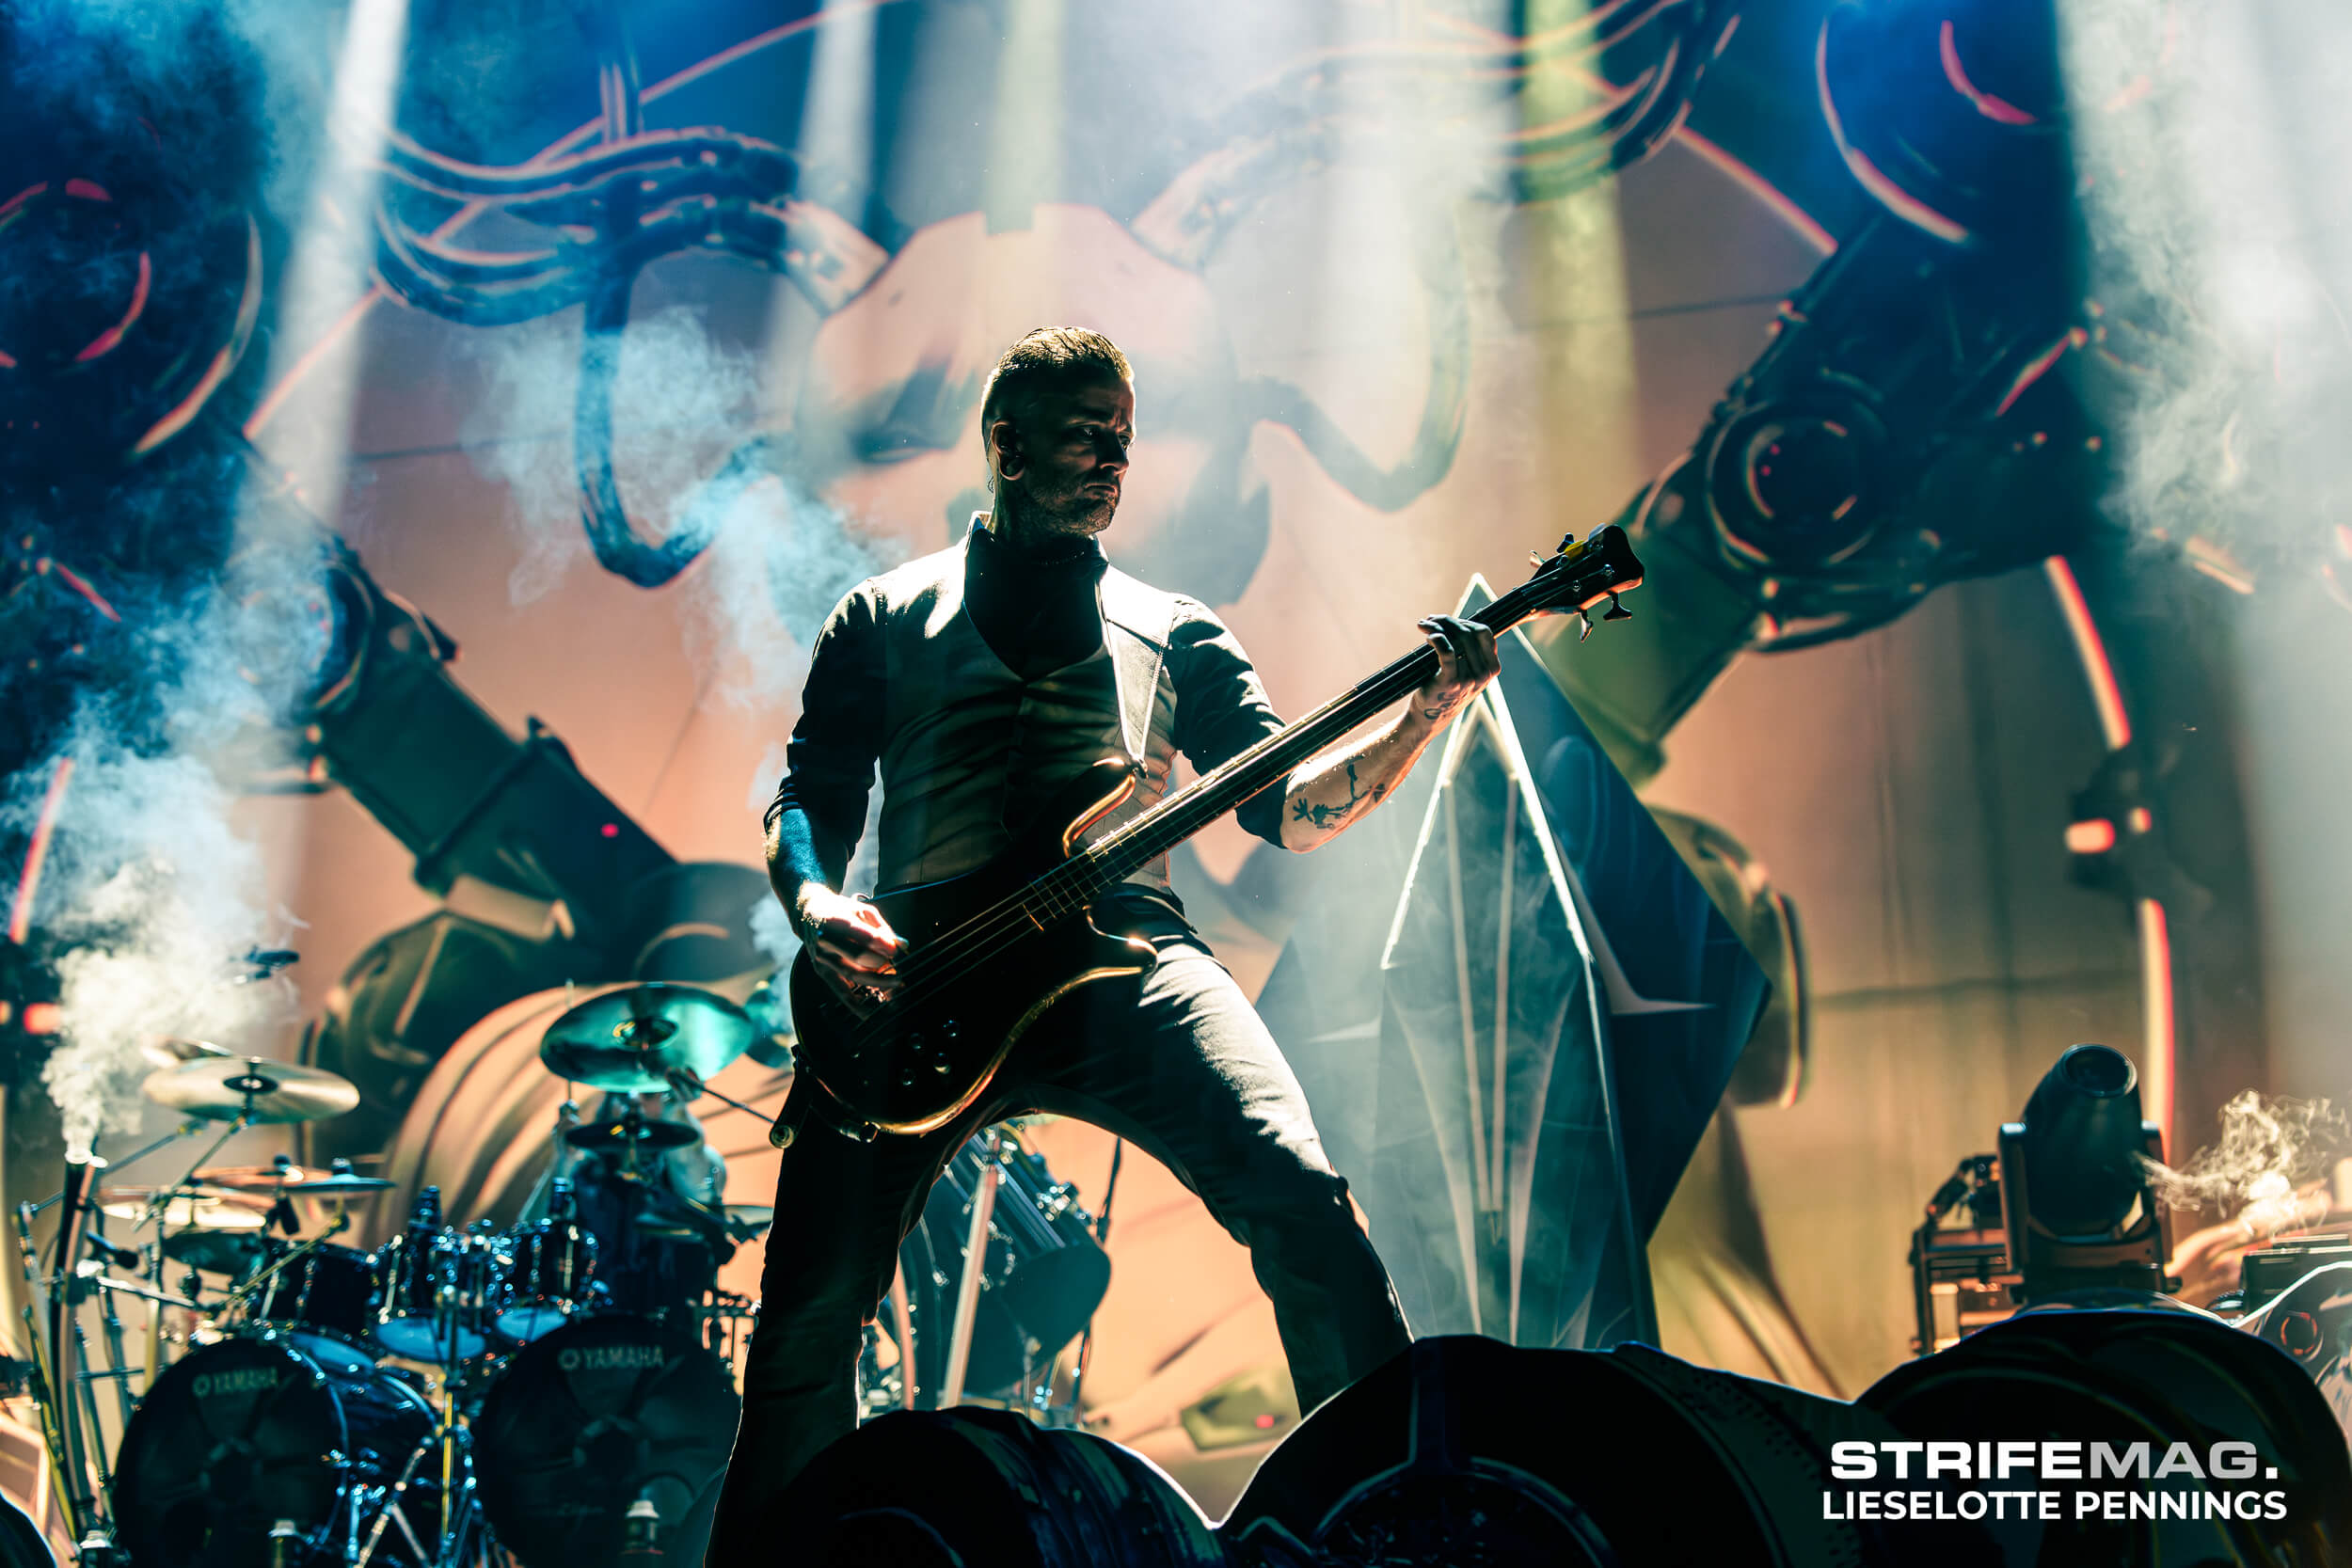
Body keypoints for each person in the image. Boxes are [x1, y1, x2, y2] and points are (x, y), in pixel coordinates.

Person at [706, 326, 1500, 1545]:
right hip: (918, 986)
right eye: (1087, 435)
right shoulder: (882, 613)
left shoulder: (1174, 630)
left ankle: (1397, 1529)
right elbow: (809, 795)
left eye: (1124, 438)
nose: (1114, 460)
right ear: (1005, 444)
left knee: (1302, 1202)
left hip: (1125, 961)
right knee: (804, 1324)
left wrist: (1422, 714)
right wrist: (816, 906)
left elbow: (1288, 811)